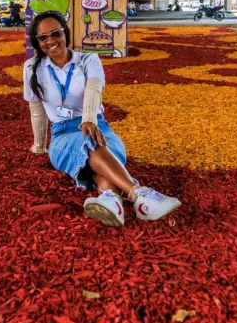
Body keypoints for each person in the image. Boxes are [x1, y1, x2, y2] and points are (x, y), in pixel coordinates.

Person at [23, 12, 181, 227]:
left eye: (55, 33)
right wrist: (39, 145)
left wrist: (89, 119)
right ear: (37, 41)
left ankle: (111, 199)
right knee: (93, 145)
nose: (50, 41)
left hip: (98, 126)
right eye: (43, 37)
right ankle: (138, 194)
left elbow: (93, 89)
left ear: (65, 33)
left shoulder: (88, 59)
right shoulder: (32, 67)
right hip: (63, 135)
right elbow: (36, 108)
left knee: (97, 145)